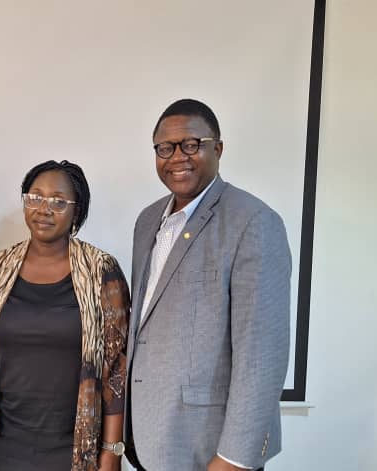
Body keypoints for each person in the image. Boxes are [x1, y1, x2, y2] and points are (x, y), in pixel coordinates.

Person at [125, 99, 292, 471]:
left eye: (191, 145)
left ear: (218, 148)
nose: (177, 157)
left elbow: (262, 355)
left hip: (209, 451)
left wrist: (233, 459)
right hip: (150, 442)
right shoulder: (147, 220)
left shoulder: (254, 222)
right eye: (165, 148)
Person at [0, 160, 130, 471]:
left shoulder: (101, 269)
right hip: (3, 445)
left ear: (77, 211)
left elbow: (117, 366)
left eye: (59, 202)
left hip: (75, 447)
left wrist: (112, 451)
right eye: (35, 197)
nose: (44, 209)